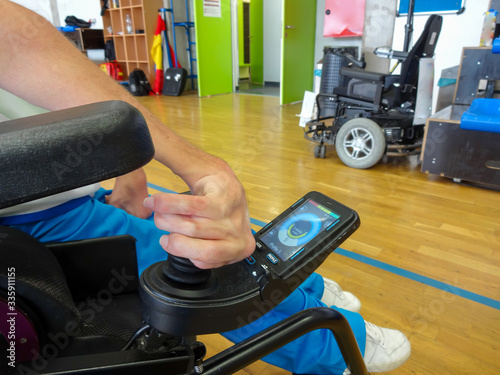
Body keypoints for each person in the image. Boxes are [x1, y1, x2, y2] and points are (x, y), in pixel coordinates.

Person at [0, 1, 410, 374]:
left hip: (63, 185)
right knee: (208, 261)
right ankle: (334, 350)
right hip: (29, 215)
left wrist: (128, 162)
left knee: (230, 234)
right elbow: (13, 37)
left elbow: (21, 50)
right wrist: (199, 165)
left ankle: (312, 288)